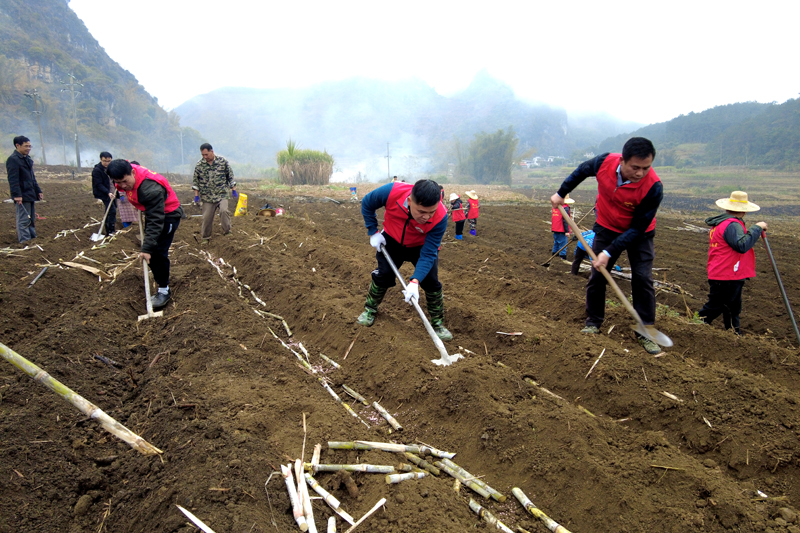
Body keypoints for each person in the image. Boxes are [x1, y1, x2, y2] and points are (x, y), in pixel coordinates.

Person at [550, 137, 663, 354]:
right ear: (622, 160)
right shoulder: (604, 162)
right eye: (635, 167)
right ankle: (593, 322)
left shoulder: (653, 188)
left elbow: (637, 229)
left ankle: (645, 331)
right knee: (598, 275)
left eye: (646, 168)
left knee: (642, 279)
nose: (640, 173)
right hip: (607, 226)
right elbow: (582, 170)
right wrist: (561, 192)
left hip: (639, 234)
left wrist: (609, 252)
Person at [356, 179, 453, 341]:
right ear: (409, 201)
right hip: (392, 240)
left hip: (421, 247)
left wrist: (415, 281)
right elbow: (367, 203)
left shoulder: (441, 216)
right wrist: (373, 231)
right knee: (384, 275)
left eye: (431, 212)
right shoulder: (392, 192)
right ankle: (370, 309)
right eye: (421, 211)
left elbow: (429, 253)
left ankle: (437, 324)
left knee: (431, 282)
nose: (427, 217)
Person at [107, 160, 183, 308]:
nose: (122, 185)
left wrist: (147, 249)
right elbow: (122, 183)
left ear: (133, 173)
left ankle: (164, 290)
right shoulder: (126, 172)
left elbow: (155, 222)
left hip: (167, 216)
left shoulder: (150, 189)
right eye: (118, 182)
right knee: (153, 251)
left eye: (125, 181)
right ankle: (161, 284)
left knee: (157, 253)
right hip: (151, 212)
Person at [697, 191, 766, 335]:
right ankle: (694, 325)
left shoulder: (721, 223)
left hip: (725, 272)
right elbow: (742, 245)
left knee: (732, 307)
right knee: (716, 306)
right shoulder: (732, 225)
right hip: (727, 274)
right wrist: (756, 228)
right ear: (744, 211)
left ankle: (734, 333)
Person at [192, 143, 236, 244]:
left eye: (206, 154)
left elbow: (230, 176)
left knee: (224, 211)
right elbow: (196, 182)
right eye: (203, 155)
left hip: (222, 194)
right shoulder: (199, 165)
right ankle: (205, 237)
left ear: (212, 151)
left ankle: (227, 231)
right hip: (207, 197)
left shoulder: (222, 162)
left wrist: (233, 189)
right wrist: (196, 196)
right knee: (207, 217)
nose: (205, 157)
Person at [6, 136, 43, 243]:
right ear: (17, 145)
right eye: (26, 146)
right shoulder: (13, 160)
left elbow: (32, 178)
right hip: (21, 195)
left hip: (30, 193)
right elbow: (13, 180)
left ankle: (32, 239)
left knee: (31, 219)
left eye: (30, 146)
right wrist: (17, 195)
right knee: (23, 220)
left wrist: (38, 190)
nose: (28, 148)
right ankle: (25, 241)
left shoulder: (27, 159)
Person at [92, 151, 117, 234]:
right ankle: (110, 231)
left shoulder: (111, 169)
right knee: (110, 211)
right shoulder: (97, 170)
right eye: (105, 161)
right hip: (105, 194)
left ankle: (111, 229)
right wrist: (107, 192)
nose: (107, 163)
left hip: (113, 193)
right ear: (100, 160)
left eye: (109, 161)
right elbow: (98, 184)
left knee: (112, 210)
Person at [551, 194, 574, 260]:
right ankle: (562, 257)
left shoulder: (555, 207)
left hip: (555, 228)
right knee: (563, 244)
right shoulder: (565, 208)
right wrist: (567, 231)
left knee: (556, 242)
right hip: (562, 230)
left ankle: (554, 255)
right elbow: (565, 220)